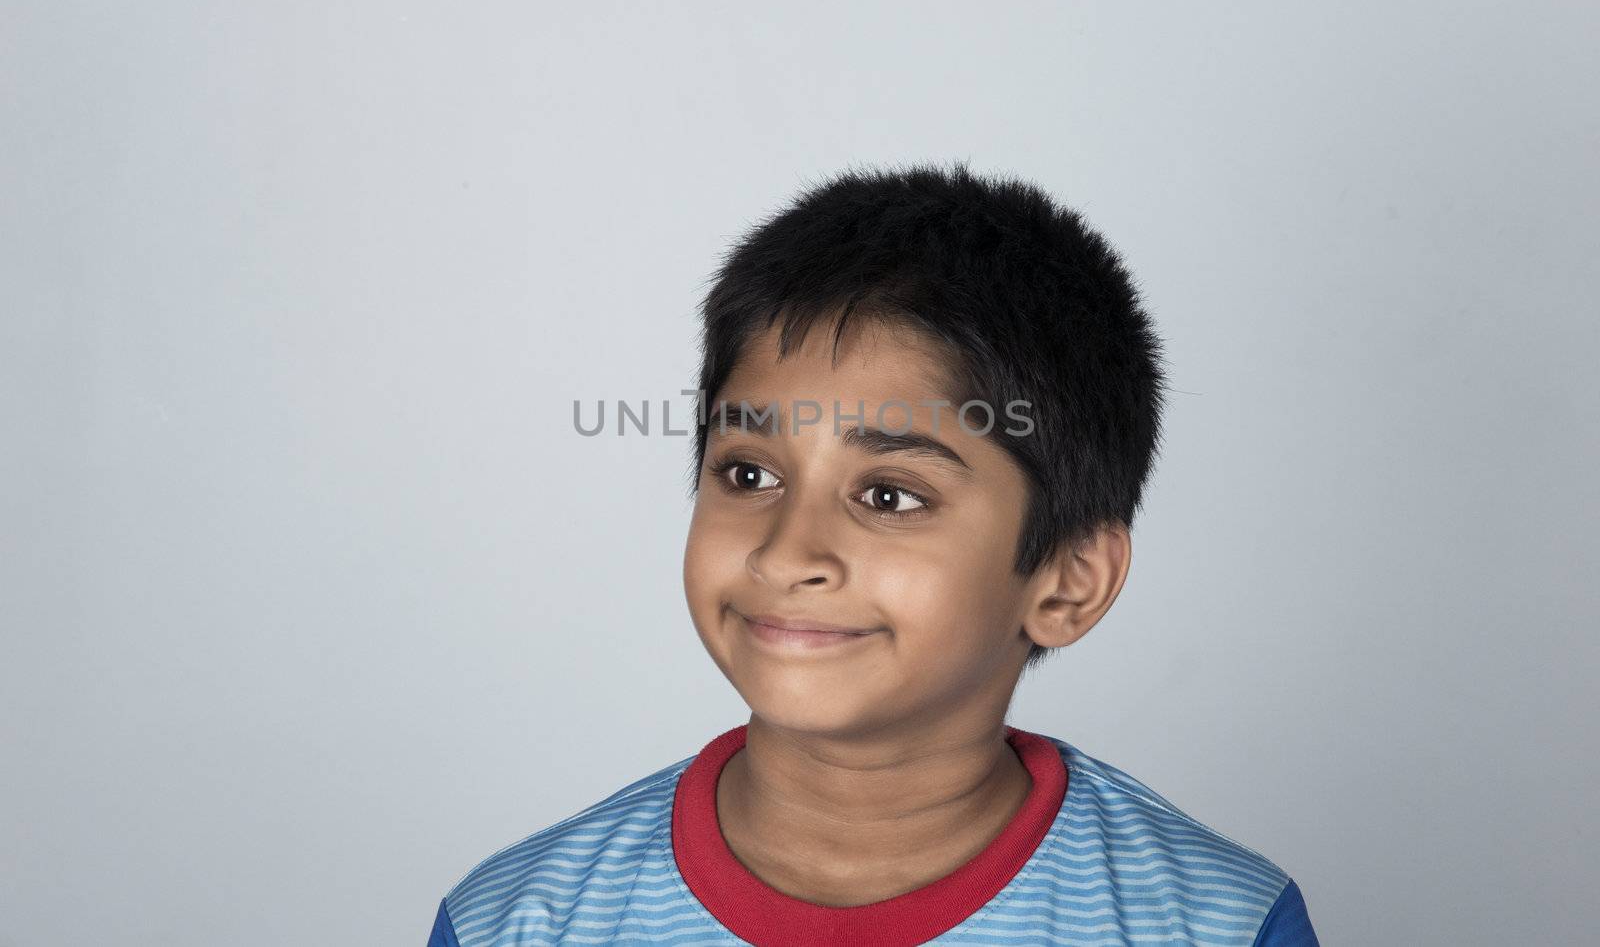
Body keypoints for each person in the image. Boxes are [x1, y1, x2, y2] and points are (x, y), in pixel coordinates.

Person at [426, 163, 1320, 945]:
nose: (788, 552)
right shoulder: (518, 921)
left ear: (1066, 582)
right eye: (748, 474)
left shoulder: (1216, 926)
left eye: (889, 496)